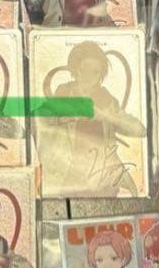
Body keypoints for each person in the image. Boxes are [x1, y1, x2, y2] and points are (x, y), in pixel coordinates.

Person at [38, 41, 146, 195]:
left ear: (100, 75)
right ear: (75, 69)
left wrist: (106, 117)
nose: (89, 76)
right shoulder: (64, 92)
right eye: (85, 69)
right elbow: (38, 118)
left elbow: (140, 130)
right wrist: (64, 117)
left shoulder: (107, 101)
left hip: (102, 181)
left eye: (95, 72)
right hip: (68, 179)